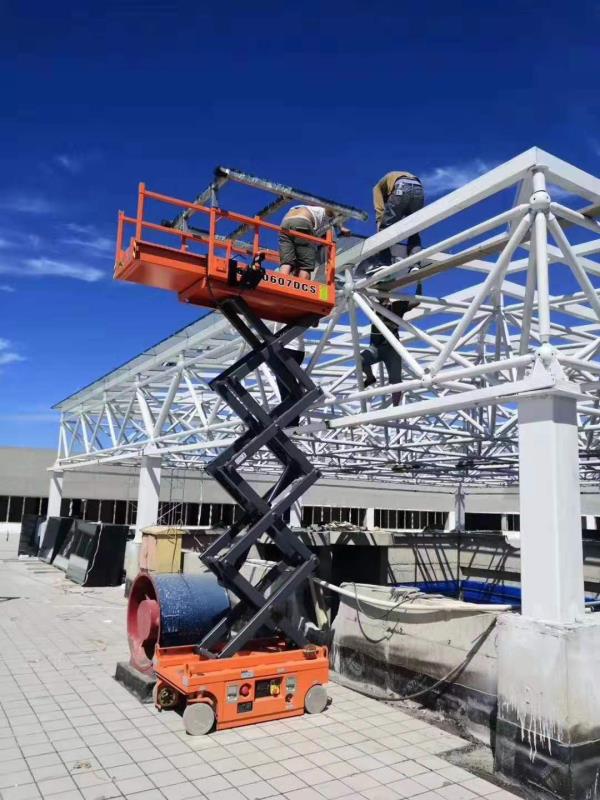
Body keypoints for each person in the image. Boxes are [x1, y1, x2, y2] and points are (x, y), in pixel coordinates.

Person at [360, 281, 422, 406]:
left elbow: (416, 301)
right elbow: (360, 296)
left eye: (380, 293)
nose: (378, 296)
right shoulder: (373, 306)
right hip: (376, 347)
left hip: (392, 349)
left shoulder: (397, 305)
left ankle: (395, 406)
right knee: (360, 359)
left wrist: (419, 282)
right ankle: (370, 378)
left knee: (396, 382)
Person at [279, 205, 349, 279]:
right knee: (305, 266)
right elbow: (332, 208)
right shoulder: (323, 213)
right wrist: (341, 227)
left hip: (285, 224)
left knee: (286, 262)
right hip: (302, 221)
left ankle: (281, 283)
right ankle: (304, 288)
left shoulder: (312, 214)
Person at [373, 171, 425, 265]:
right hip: (419, 189)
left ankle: (384, 263)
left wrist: (380, 223)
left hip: (401, 187)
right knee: (413, 230)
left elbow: (379, 209)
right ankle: (415, 263)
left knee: (384, 229)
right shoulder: (391, 180)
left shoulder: (377, 189)